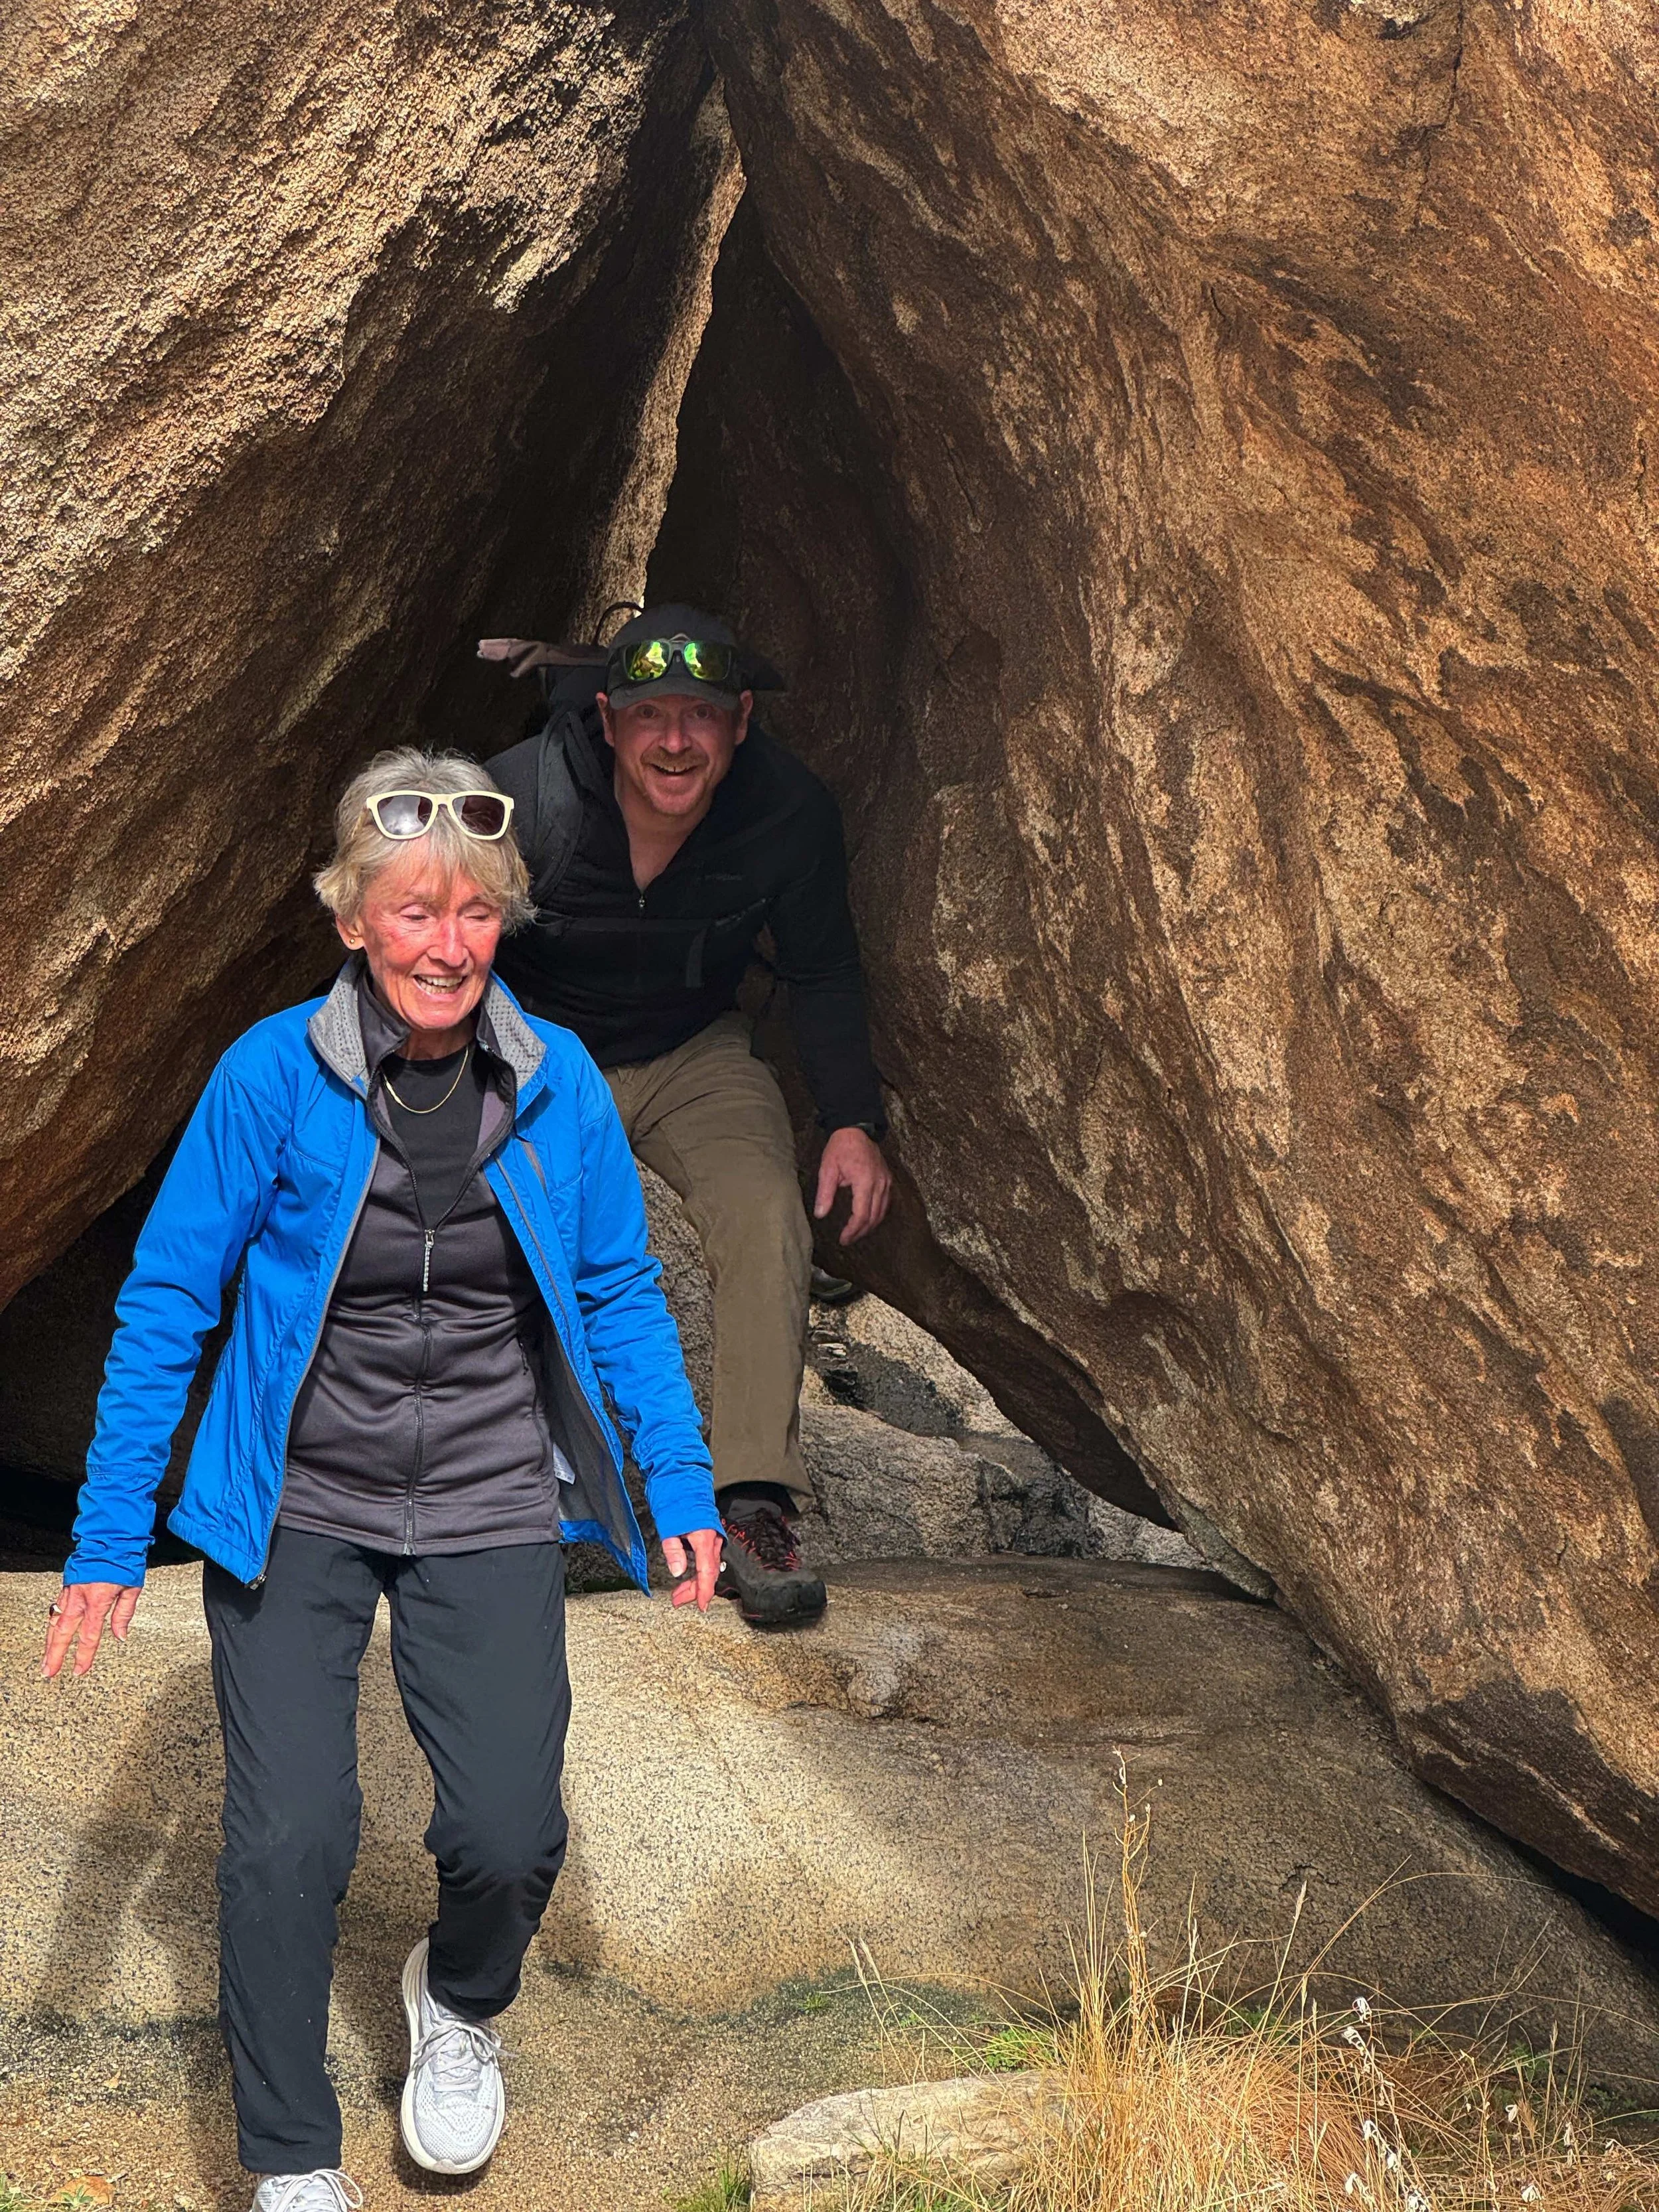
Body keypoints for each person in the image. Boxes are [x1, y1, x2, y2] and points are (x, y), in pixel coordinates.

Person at [40, 749, 721, 2212]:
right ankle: (291, 2158)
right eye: (411, 913)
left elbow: (617, 1288)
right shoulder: (269, 1076)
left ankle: (457, 2001)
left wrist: (677, 1479)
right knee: (292, 1835)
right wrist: (105, 1537)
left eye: (474, 913)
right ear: (352, 922)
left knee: (506, 1832)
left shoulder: (555, 1085)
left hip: (482, 1488)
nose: (445, 943)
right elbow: (169, 1300)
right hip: (297, 1501)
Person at [479, 604, 892, 1631]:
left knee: (764, 1211)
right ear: (607, 718)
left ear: (740, 722)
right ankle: (502, 1494)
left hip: (692, 1046)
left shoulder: (786, 813)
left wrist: (850, 1121)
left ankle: (752, 1504)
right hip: (543, 1049)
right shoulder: (521, 798)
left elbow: (825, 970)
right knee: (498, 1230)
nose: (676, 741)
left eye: (701, 717)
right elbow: (439, 949)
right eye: (651, 714)